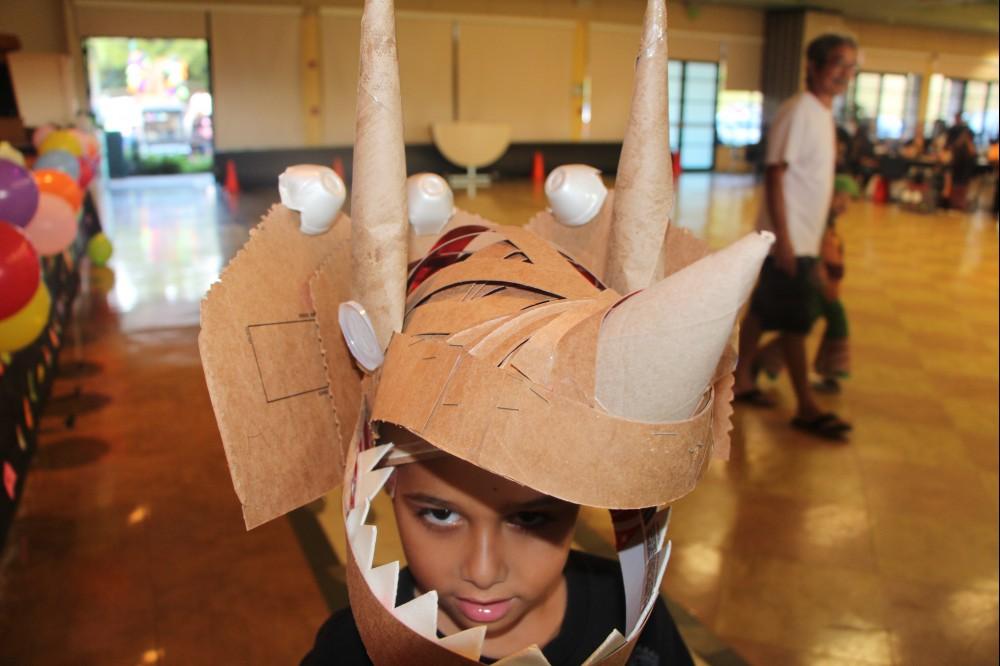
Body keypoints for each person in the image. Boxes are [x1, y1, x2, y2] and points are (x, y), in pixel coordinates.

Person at [302, 451, 695, 665]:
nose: (483, 573)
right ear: (388, 485)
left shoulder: (632, 610)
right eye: (441, 514)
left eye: (529, 518)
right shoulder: (352, 647)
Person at [733, 33, 857, 440]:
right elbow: (775, 173)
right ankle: (806, 406)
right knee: (796, 323)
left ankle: (740, 380)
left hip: (802, 238)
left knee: (762, 312)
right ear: (814, 66)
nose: (845, 73)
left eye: (851, 65)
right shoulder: (800, 110)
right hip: (789, 240)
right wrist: (784, 240)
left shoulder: (822, 114)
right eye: (838, 63)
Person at [755, 174, 857, 393]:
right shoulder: (817, 223)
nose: (844, 204)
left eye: (848, 199)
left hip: (824, 286)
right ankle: (762, 361)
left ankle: (762, 360)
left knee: (800, 330)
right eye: (839, 198)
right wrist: (823, 279)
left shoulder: (827, 223)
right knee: (803, 328)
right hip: (818, 286)